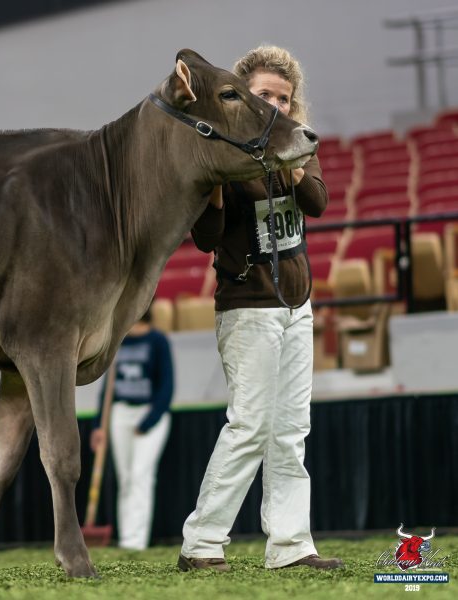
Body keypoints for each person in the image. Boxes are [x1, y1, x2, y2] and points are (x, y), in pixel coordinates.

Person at [178, 45, 343, 572]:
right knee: (249, 425)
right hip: (247, 306)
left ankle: (291, 545)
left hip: (297, 304)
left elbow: (318, 202)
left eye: (284, 98)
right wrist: (217, 188)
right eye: (264, 95)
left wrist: (291, 165)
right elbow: (206, 238)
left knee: (291, 430)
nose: (275, 104)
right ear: (245, 97)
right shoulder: (223, 154)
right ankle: (202, 542)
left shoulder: (299, 143)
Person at [90, 306, 173, 551]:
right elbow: (107, 392)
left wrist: (148, 422)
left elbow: (166, 387)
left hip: (149, 415)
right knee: (125, 477)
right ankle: (126, 538)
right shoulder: (117, 341)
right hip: (120, 414)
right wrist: (99, 425)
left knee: (140, 475)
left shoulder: (158, 341)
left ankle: (137, 540)